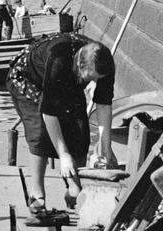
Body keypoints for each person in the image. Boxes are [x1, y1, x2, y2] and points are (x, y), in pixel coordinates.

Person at [7, 33, 118, 215]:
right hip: (27, 79)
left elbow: (104, 104)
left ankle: (75, 190)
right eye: (91, 78)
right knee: (40, 133)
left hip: (67, 79)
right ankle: (37, 196)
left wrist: (106, 147)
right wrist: (64, 155)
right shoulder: (58, 60)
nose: (95, 82)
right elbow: (49, 112)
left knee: (79, 130)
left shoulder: (104, 64)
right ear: (81, 66)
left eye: (98, 79)